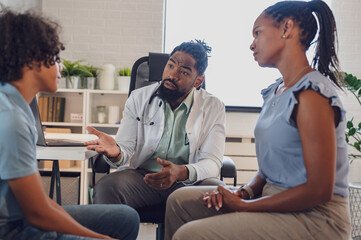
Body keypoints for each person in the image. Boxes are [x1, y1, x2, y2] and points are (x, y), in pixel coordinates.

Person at [164, 1, 351, 239]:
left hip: (316, 218)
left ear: (287, 28)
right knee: (179, 201)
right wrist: (245, 192)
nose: (252, 44)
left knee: (189, 235)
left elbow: (319, 190)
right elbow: (267, 170)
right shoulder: (276, 91)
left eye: (258, 33)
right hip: (275, 199)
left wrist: (245, 207)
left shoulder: (312, 95)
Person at [0, 8, 139, 240]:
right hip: (11, 229)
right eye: (55, 58)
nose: (61, 68)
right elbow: (37, 214)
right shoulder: (11, 117)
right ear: (31, 59)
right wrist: (100, 239)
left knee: (126, 218)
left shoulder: (15, 105)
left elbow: (39, 204)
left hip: (22, 216)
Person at [85, 40, 226, 208]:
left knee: (219, 194)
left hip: (187, 182)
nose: (172, 75)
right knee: (107, 187)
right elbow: (125, 149)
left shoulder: (213, 107)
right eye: (171, 65)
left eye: (184, 72)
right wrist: (115, 152)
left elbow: (212, 162)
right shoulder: (138, 98)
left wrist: (180, 172)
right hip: (143, 179)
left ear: (198, 81)